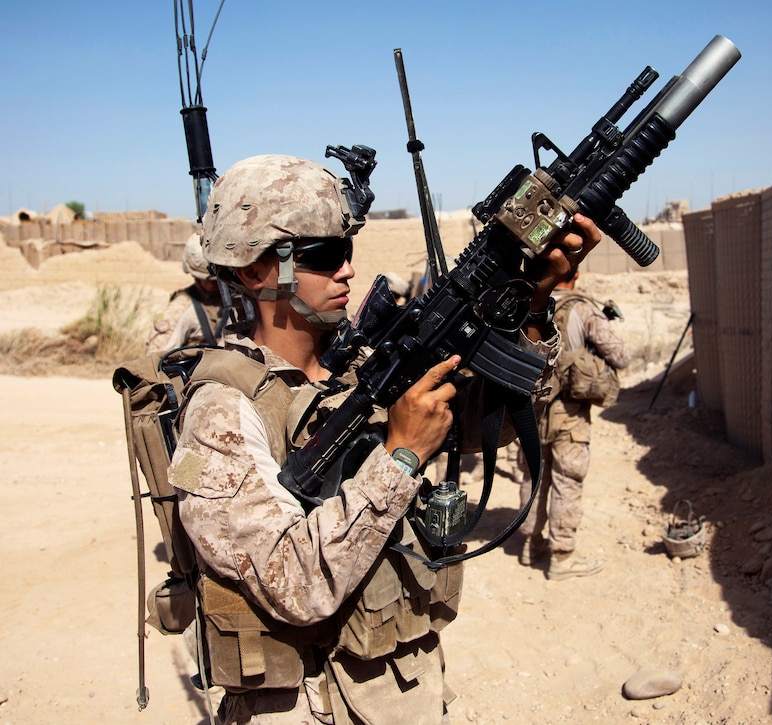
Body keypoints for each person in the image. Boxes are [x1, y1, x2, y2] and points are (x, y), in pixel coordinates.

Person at [167, 153, 600, 723]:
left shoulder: (358, 360)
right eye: (323, 255)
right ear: (253, 272)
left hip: (395, 686)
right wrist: (400, 459)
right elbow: (292, 583)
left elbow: (472, 427)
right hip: (308, 703)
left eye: (347, 250)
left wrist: (534, 301)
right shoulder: (223, 409)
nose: (346, 269)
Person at [516, 267, 629, 581]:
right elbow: (620, 355)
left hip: (531, 409)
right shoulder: (583, 308)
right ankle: (562, 558)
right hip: (570, 412)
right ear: (575, 276)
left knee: (533, 477)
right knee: (568, 482)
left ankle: (531, 544)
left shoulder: (527, 306)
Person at [146, 232, 227, 356]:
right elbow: (154, 361)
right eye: (204, 280)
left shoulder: (239, 302)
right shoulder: (181, 309)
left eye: (215, 280)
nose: (211, 285)